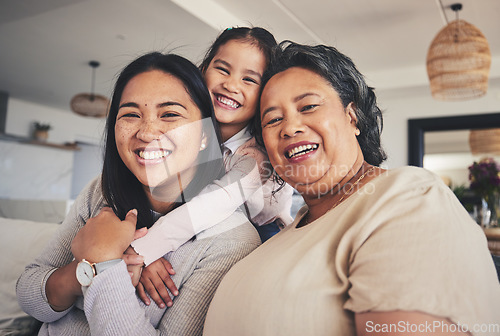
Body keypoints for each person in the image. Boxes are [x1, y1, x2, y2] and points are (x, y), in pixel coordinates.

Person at [203, 42, 500, 336]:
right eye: (273, 119)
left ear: (352, 116)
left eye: (308, 106)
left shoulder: (407, 197)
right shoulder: (280, 231)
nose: (290, 127)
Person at [16, 52, 261, 335]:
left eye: (169, 114)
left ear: (205, 133)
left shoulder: (231, 241)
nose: (146, 132)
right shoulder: (99, 191)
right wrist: (87, 270)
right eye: (131, 114)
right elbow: (29, 294)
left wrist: (104, 264)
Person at [130, 27, 294, 309]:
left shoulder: (255, 157)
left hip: (259, 228)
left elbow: (211, 205)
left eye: (249, 79)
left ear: (265, 95)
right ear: (203, 70)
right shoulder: (186, 129)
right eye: (223, 69)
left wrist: (141, 251)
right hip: (189, 219)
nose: (232, 85)